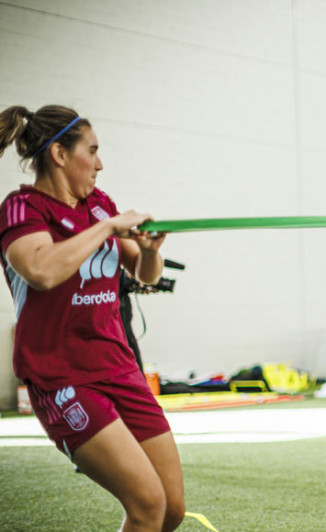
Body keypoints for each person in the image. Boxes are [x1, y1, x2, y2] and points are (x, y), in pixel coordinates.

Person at [0, 104, 185, 531]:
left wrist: (152, 251)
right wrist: (107, 229)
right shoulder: (22, 208)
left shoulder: (101, 206)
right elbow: (42, 270)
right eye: (92, 150)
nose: (100, 164)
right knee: (146, 504)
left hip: (118, 367)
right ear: (60, 155)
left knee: (171, 509)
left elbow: (143, 273)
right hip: (62, 377)